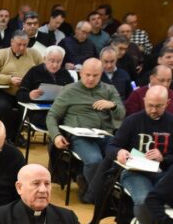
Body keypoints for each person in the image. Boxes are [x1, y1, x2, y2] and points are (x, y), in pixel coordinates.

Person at [107, 85, 173, 224]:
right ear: (145, 101)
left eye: (158, 106)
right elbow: (112, 146)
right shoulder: (133, 121)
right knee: (144, 200)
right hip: (135, 172)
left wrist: (164, 158)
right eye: (150, 105)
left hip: (164, 172)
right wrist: (119, 152)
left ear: (167, 103)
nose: (153, 110)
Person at [46, 58, 125, 203]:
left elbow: (121, 114)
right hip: (80, 136)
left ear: (101, 74)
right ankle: (98, 196)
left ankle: (96, 192)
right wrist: (56, 136)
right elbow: (52, 116)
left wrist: (112, 105)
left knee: (121, 159)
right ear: (80, 73)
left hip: (105, 135)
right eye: (87, 74)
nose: (90, 79)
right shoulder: (69, 90)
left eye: (95, 75)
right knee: (95, 161)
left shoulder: (109, 90)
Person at [0, 31, 43, 145]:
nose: (22, 47)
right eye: (19, 44)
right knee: (3, 108)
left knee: (26, 108)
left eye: (25, 45)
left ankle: (16, 135)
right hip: (2, 91)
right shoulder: (1, 54)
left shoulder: (34, 54)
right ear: (12, 42)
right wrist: (9, 79)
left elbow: (43, 72)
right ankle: (6, 136)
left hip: (24, 92)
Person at [16, 45, 75, 128]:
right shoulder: (34, 71)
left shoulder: (65, 74)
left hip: (58, 110)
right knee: (52, 122)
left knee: (71, 120)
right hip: (38, 111)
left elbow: (73, 93)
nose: (55, 65)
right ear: (44, 59)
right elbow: (19, 94)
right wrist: (29, 95)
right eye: (52, 61)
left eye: (59, 61)